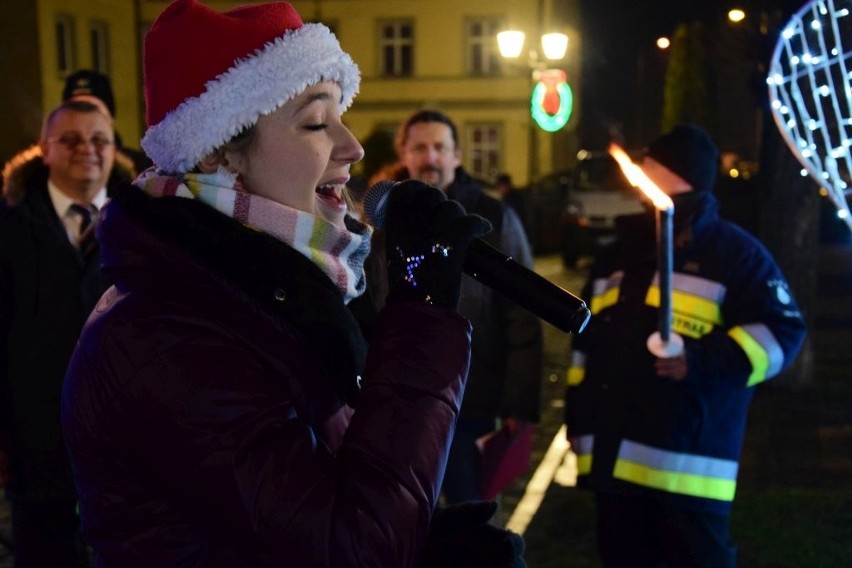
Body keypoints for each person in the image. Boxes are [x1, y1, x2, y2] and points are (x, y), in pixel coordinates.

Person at [60, 2, 525, 566]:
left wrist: (424, 541)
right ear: (219, 150)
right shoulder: (164, 337)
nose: (352, 148)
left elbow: (330, 486)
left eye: (341, 116)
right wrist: (421, 310)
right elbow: (346, 546)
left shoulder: (276, 286)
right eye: (315, 122)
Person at [563, 124, 807, 567]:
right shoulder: (620, 253)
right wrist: (579, 420)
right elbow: (586, 347)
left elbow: (783, 330)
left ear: (677, 175)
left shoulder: (735, 255)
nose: (637, 175)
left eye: (650, 167)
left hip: (689, 476)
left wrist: (701, 361)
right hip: (615, 472)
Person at [393, 109, 543, 504]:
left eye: (440, 147)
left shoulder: (492, 216)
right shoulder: (383, 216)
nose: (431, 158)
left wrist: (519, 402)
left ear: (457, 156)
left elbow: (523, 313)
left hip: (472, 402)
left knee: (469, 519)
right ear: (404, 153)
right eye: (420, 147)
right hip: (400, 405)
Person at [0, 98, 117, 567]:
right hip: (35, 448)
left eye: (98, 140)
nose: (86, 149)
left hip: (125, 447)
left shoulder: (147, 226)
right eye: (70, 140)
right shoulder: (8, 229)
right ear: (44, 150)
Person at [62, 69, 154, 174]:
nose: (84, 117)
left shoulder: (143, 168)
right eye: (75, 109)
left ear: (110, 115)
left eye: (92, 109)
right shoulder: (54, 169)